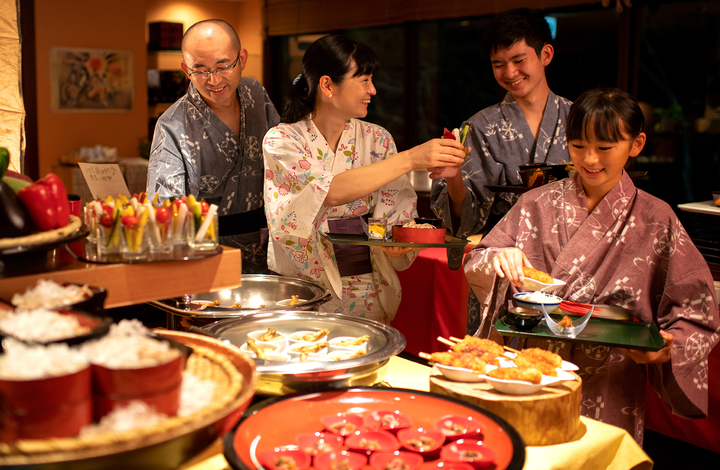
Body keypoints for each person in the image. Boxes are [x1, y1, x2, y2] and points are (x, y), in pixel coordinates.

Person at [464, 87, 720, 443]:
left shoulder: (656, 218)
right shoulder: (536, 203)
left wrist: (665, 347)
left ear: (636, 143)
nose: (589, 159)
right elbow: (478, 258)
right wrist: (497, 259)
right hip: (534, 367)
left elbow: (696, 308)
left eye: (604, 147)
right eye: (579, 145)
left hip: (611, 373)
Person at [262, 35, 466, 324]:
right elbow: (327, 192)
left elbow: (396, 212)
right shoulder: (282, 140)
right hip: (304, 285)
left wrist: (397, 244)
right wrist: (410, 158)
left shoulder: (378, 139)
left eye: (372, 79)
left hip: (367, 286)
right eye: (364, 79)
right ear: (327, 85)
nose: (372, 89)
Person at [146, 19, 279, 273]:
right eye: (200, 70)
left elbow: (283, 168)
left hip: (270, 252)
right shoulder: (172, 126)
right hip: (206, 256)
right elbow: (164, 212)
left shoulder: (256, 95)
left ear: (242, 59)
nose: (213, 79)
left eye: (223, 66)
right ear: (186, 70)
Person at [430, 8, 573, 238]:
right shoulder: (481, 127)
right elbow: (463, 221)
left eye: (519, 60)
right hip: (506, 255)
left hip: (574, 251)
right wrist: (454, 176)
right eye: (498, 64)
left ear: (545, 55)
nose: (510, 72)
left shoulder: (579, 118)